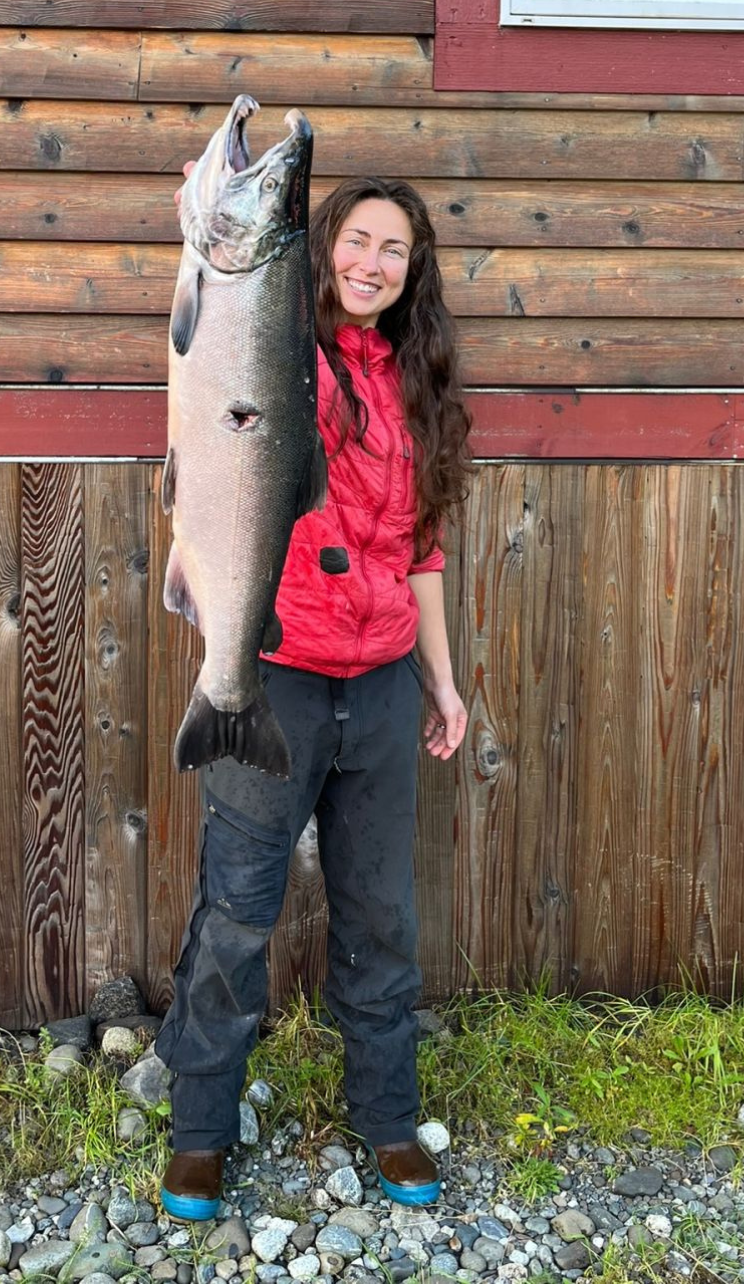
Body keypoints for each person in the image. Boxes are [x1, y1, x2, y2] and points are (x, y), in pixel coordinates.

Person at [154, 175, 477, 1221]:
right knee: (238, 912)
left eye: (397, 250)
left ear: (411, 271)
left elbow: (420, 546)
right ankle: (200, 1130)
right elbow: (211, 316)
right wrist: (202, 229)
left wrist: (440, 677)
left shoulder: (416, 377)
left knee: (382, 917)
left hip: (379, 685)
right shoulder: (276, 339)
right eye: (359, 240)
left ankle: (387, 1115)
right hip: (274, 674)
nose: (374, 264)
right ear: (323, 244)